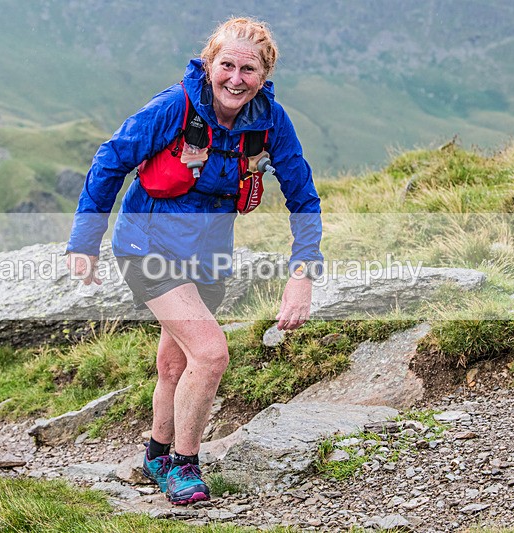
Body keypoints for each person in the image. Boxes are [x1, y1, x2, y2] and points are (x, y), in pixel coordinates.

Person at [65, 17, 323, 505]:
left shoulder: (272, 121)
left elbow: (303, 197)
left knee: (174, 362)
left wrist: (302, 275)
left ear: (265, 77)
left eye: (249, 69)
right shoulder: (173, 107)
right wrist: (84, 242)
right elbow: (110, 159)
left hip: (208, 256)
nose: (236, 78)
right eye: (226, 64)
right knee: (211, 352)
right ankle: (185, 464)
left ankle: (156, 455)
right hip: (148, 247)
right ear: (209, 63)